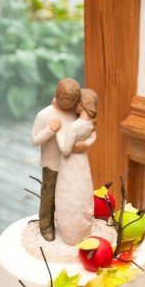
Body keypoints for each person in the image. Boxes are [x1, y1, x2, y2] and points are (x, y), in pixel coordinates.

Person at [31, 78, 81, 242]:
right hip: (52, 164)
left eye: (73, 100)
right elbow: (35, 140)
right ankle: (46, 225)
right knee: (49, 196)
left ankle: (68, 224)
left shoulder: (75, 113)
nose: (70, 104)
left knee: (69, 196)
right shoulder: (45, 115)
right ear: (57, 96)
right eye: (67, 100)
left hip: (71, 163)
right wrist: (50, 130)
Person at [54, 88, 98, 245]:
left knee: (69, 194)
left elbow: (65, 150)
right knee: (83, 192)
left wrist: (58, 132)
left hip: (70, 164)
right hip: (82, 162)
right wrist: (86, 144)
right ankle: (83, 231)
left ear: (82, 103)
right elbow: (94, 135)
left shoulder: (74, 127)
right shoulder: (89, 125)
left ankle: (71, 234)